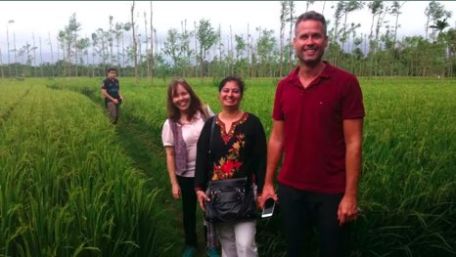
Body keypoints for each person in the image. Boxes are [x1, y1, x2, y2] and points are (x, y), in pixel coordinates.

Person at [259, 11, 365, 257]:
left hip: (331, 191)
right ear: (294, 42)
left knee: (333, 251)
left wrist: (350, 195)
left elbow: (354, 142)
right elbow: (276, 138)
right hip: (290, 189)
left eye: (316, 36)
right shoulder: (284, 86)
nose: (310, 42)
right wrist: (267, 183)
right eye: (304, 36)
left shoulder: (345, 83)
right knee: (296, 250)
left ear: (326, 41)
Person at [195, 76, 266, 257]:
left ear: (241, 95)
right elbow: (202, 158)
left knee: (246, 244)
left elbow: (261, 159)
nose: (230, 95)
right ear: (219, 94)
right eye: (226, 90)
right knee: (227, 245)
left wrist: (263, 191)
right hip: (218, 195)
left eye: (235, 91)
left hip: (245, 194)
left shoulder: (252, 123)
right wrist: (199, 188)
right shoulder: (210, 125)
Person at [161, 79, 220, 257]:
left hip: (208, 172)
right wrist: (173, 183)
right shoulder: (170, 124)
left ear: (190, 94)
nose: (181, 98)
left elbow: (219, 134)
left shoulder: (204, 113)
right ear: (172, 100)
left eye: (184, 93)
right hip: (185, 174)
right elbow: (170, 154)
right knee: (188, 211)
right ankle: (191, 244)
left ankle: (211, 244)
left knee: (210, 210)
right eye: (176, 95)